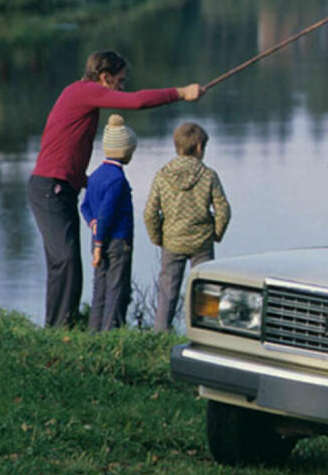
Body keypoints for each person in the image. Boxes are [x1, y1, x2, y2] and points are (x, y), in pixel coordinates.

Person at [27, 49, 202, 328]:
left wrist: (87, 181)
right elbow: (137, 101)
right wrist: (181, 92)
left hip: (60, 187)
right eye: (119, 81)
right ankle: (60, 327)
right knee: (66, 261)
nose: (122, 88)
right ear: (104, 77)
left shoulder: (80, 96)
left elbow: (66, 155)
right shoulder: (84, 91)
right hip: (50, 189)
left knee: (64, 262)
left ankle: (60, 325)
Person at [144, 122, 231, 331]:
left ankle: (160, 333)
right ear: (199, 147)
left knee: (167, 290)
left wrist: (158, 237)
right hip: (201, 241)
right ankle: (206, 333)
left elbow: (149, 212)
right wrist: (216, 234)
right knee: (207, 289)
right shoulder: (209, 175)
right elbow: (223, 210)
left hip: (172, 241)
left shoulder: (162, 175)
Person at [80, 114, 137, 332]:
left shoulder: (94, 176)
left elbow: (85, 207)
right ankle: (110, 332)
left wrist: (92, 224)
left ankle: (94, 330)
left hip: (98, 238)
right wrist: (99, 243)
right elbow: (107, 213)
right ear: (125, 151)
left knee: (100, 288)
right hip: (115, 242)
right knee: (116, 288)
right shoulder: (117, 180)